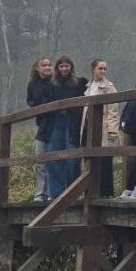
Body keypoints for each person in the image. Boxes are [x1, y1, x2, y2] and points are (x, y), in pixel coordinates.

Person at [46, 57, 87, 198]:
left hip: (73, 122)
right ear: (57, 68)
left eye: (67, 66)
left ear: (71, 67)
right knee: (54, 155)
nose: (64, 69)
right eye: (61, 66)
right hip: (56, 121)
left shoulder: (80, 83)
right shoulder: (51, 85)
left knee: (73, 157)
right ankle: (57, 192)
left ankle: (73, 190)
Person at [81, 59, 120, 198]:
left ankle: (106, 192)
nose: (103, 71)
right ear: (93, 69)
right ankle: (90, 190)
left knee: (104, 160)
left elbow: (113, 110)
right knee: (89, 159)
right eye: (100, 68)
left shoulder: (109, 87)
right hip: (87, 127)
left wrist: (112, 130)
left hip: (103, 127)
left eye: (104, 69)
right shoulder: (87, 87)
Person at [25, 57, 56, 202]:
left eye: (49, 65)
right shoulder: (33, 85)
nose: (47, 67)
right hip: (42, 126)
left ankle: (51, 192)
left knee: (53, 160)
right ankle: (40, 194)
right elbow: (30, 100)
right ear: (37, 68)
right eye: (44, 65)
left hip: (56, 125)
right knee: (40, 160)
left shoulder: (56, 82)